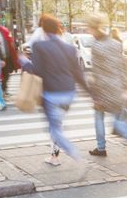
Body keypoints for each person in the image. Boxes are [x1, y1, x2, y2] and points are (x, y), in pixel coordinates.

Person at [22, 14, 89, 167]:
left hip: (51, 94)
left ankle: (74, 153)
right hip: (69, 93)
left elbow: (37, 71)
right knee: (57, 125)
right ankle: (54, 155)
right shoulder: (70, 48)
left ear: (43, 29)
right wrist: (90, 93)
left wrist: (25, 62)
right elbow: (78, 73)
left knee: (55, 129)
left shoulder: (39, 46)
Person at [86, 13, 127, 157]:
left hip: (103, 89)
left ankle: (101, 148)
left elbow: (96, 72)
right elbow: (122, 66)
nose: (88, 31)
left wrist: (95, 95)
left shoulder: (96, 46)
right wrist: (125, 86)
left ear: (93, 28)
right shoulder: (116, 43)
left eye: (89, 28)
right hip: (117, 87)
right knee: (118, 117)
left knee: (99, 117)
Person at [0, 14, 19, 96]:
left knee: (6, 74)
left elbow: (10, 41)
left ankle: (3, 89)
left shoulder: (3, 30)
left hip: (6, 55)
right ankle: (1, 90)